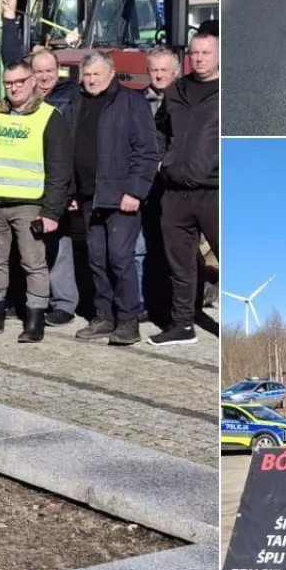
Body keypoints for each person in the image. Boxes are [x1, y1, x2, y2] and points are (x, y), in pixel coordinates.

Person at [0, 60, 71, 342]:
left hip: (29, 205)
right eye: (8, 83)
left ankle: (34, 322)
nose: (13, 88)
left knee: (33, 264)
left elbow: (60, 170)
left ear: (32, 81)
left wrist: (51, 212)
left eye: (19, 82)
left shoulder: (50, 117)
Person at [69, 52, 158, 346]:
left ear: (111, 73)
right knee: (96, 259)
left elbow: (147, 151)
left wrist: (135, 191)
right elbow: (71, 149)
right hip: (88, 196)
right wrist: (71, 191)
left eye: (97, 74)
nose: (91, 80)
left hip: (121, 197)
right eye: (87, 75)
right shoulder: (77, 102)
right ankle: (104, 316)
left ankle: (128, 321)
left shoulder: (131, 102)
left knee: (120, 258)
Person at [153, 29, 220, 347]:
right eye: (195, 53)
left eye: (206, 52)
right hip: (175, 192)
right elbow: (159, 130)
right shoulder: (175, 91)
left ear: (218, 55)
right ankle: (182, 325)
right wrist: (161, 162)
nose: (200, 58)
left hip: (215, 192)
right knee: (179, 263)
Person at [26, 49, 80, 326]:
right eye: (39, 71)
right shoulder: (23, 100)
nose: (45, 77)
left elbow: (76, 148)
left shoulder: (72, 99)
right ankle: (33, 299)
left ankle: (64, 303)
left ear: (58, 71)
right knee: (29, 244)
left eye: (50, 71)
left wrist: (72, 190)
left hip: (58, 183)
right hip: (28, 184)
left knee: (59, 242)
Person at [136, 46, 179, 324]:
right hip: (144, 186)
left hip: (176, 187)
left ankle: (173, 304)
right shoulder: (135, 103)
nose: (159, 75)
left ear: (176, 72)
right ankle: (141, 302)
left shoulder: (187, 102)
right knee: (140, 248)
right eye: (154, 70)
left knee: (173, 249)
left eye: (164, 70)